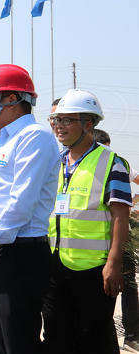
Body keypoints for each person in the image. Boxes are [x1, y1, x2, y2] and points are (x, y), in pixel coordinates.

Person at [0, 64, 60, 354]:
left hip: (20, 253)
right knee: (2, 342)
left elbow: (22, 203)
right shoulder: (7, 141)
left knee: (18, 343)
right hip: (0, 250)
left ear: (11, 99)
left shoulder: (35, 137)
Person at [43, 90, 131, 354]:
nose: (58, 126)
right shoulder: (55, 162)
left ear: (88, 124)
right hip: (55, 265)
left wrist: (114, 263)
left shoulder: (112, 163)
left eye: (66, 120)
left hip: (94, 270)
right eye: (56, 120)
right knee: (55, 335)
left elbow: (120, 216)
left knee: (93, 338)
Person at [93, 128, 139, 351]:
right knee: (127, 286)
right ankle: (130, 336)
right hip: (117, 238)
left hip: (96, 240)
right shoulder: (118, 161)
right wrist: (133, 200)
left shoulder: (87, 161)